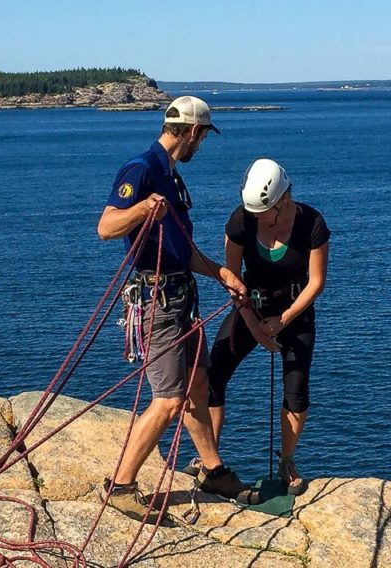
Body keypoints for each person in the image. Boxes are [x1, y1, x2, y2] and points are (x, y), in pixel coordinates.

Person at [97, 96, 252, 521]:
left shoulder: (172, 176)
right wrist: (142, 208)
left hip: (182, 294)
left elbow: (181, 246)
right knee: (168, 400)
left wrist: (221, 273)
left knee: (198, 385)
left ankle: (212, 470)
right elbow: (106, 226)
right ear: (190, 132)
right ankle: (122, 486)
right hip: (158, 301)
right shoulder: (142, 168)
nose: (200, 146)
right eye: (201, 137)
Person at [204, 158, 330, 495]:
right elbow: (232, 280)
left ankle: (287, 461)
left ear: (283, 201)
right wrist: (255, 325)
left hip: (295, 310)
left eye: (263, 213)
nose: (257, 218)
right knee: (212, 373)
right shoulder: (240, 221)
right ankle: (209, 460)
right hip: (250, 306)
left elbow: (316, 283)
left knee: (297, 389)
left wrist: (283, 320)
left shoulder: (312, 223)